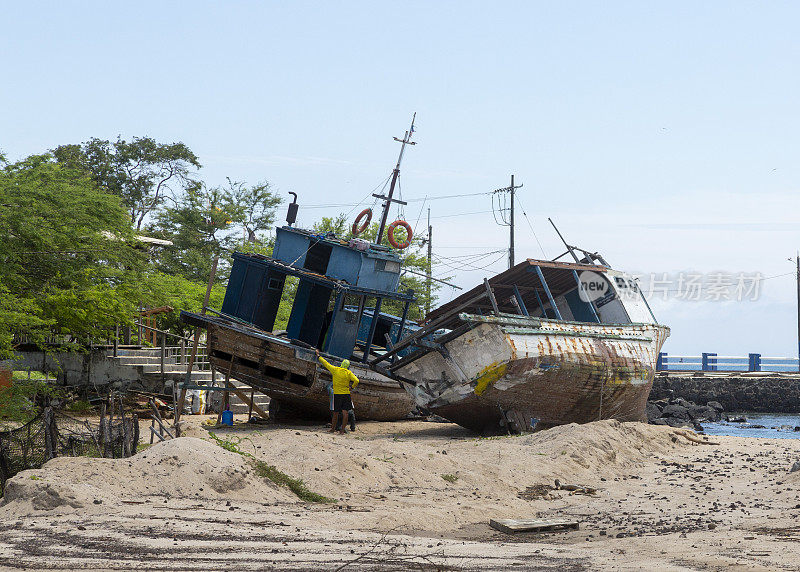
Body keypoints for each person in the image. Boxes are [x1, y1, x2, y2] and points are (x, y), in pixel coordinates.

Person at [316, 349, 359, 434]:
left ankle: (332, 429)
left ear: (341, 364)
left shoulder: (335, 370)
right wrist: (352, 387)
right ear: (347, 366)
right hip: (346, 394)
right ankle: (342, 431)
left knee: (335, 412)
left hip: (337, 394)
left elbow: (326, 364)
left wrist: (318, 355)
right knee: (345, 413)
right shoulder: (349, 373)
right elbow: (357, 380)